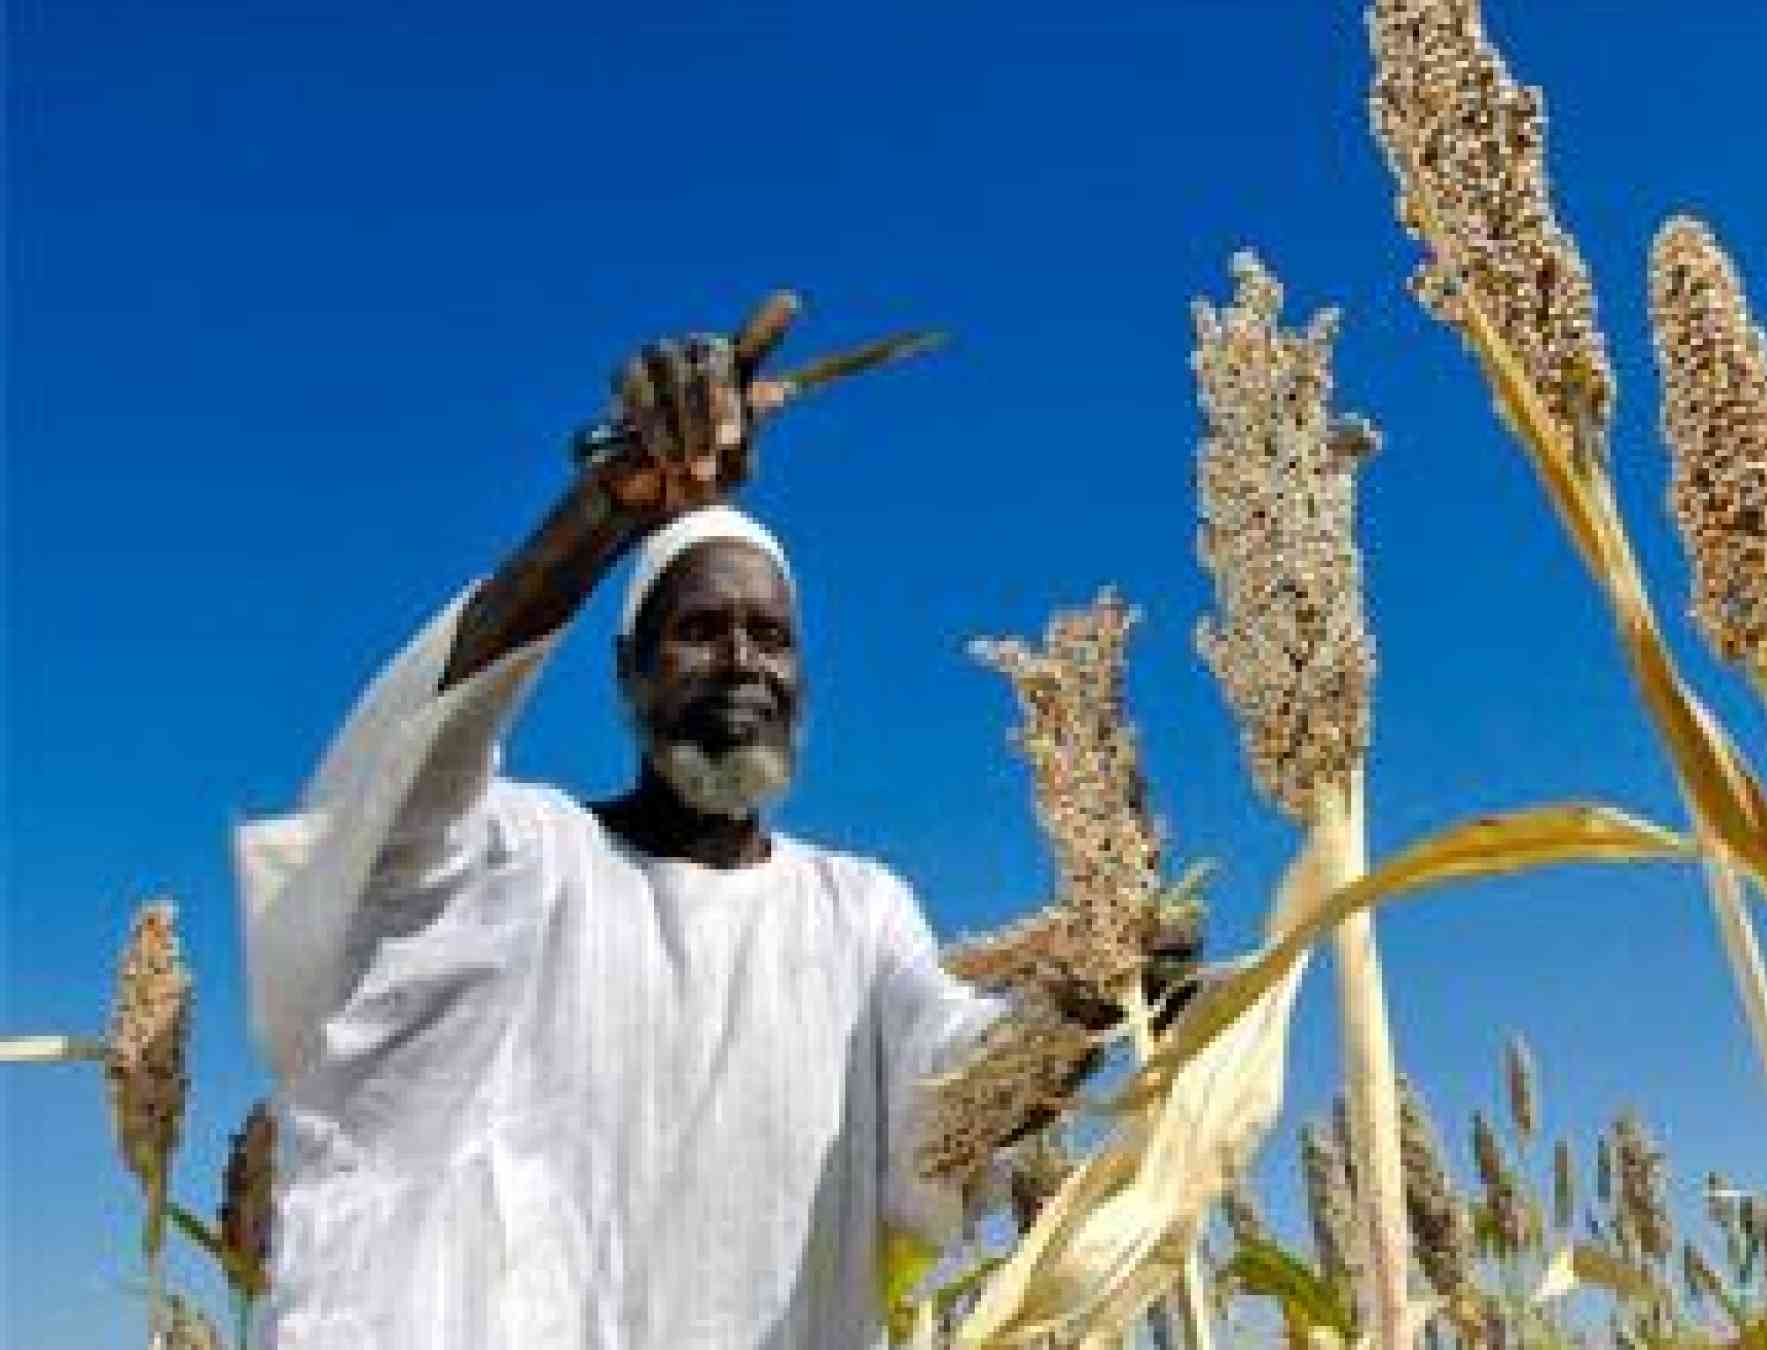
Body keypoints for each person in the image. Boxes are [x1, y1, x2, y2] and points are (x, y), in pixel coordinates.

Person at [231, 301, 1182, 1348]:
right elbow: (388, 799)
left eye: (771, 636)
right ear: (629, 672)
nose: (742, 662)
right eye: (699, 630)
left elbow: (948, 1091)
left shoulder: (857, 913)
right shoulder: (524, 863)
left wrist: (1083, 1011)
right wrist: (607, 509)